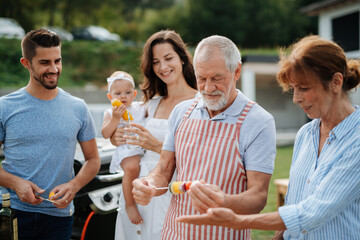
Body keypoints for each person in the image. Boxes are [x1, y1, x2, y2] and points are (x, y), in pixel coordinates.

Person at [176, 35, 360, 240]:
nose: (296, 98)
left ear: (336, 82)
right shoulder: (306, 135)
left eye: (304, 89)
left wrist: (237, 221)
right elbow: (293, 204)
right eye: (293, 89)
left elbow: (311, 213)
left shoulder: (357, 140)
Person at [132, 35, 276, 240]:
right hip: (175, 234)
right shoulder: (181, 112)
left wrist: (223, 201)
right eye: (201, 78)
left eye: (217, 78)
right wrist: (148, 184)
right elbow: (164, 169)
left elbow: (259, 196)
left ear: (236, 70)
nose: (208, 88)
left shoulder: (258, 121)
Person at [0, 29, 101, 239]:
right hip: (12, 214)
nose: (54, 69)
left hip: (59, 218)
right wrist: (16, 183)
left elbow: (92, 160)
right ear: (26, 63)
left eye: (58, 60)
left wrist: (74, 186)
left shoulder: (78, 108)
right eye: (45, 62)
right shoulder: (5, 107)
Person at [111, 30, 198, 239]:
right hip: (138, 189)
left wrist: (157, 146)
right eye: (156, 62)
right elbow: (125, 128)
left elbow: (200, 157)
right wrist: (117, 137)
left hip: (172, 189)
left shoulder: (199, 103)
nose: (163, 67)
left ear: (182, 59)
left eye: (168, 58)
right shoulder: (152, 103)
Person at [101, 70, 146, 225]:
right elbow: (106, 133)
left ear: (134, 94)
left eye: (127, 92)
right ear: (110, 97)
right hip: (127, 150)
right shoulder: (110, 112)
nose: (123, 97)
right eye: (118, 93)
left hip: (143, 147)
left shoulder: (140, 107)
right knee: (132, 167)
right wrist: (115, 118)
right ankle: (130, 203)